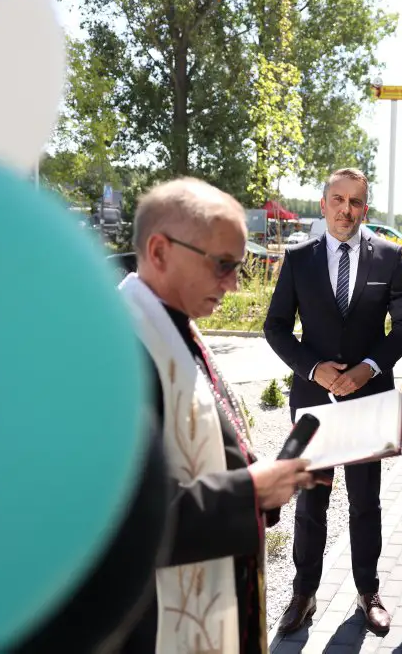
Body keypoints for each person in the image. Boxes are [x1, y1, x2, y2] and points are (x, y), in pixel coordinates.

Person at [117, 177, 319, 654]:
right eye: (223, 264)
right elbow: (124, 519)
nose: (234, 283)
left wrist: (264, 483)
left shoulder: (173, 324)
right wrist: (249, 491)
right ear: (160, 251)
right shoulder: (117, 351)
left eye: (239, 266)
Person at [263, 168, 402, 636]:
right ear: (324, 203)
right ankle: (304, 594)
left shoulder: (389, 257)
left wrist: (368, 367)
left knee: (365, 502)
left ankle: (368, 592)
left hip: (369, 399)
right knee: (311, 503)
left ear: (364, 208)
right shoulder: (298, 259)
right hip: (315, 400)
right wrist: (313, 368)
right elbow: (275, 327)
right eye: (338, 199)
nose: (346, 210)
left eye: (355, 202)